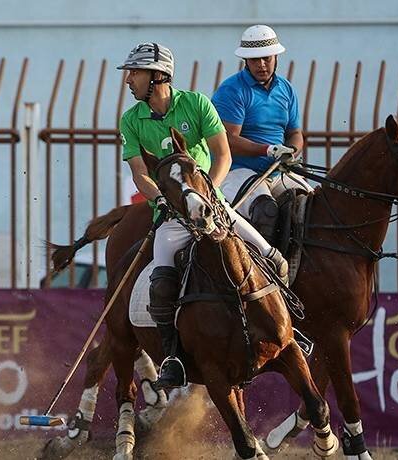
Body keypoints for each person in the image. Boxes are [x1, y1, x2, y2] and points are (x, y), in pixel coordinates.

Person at [117, 42, 289, 390]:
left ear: (157, 76)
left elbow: (222, 155)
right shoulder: (131, 120)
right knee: (161, 282)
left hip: (214, 208)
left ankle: (287, 332)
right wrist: (163, 199)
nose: (128, 80)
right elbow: (139, 173)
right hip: (172, 218)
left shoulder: (196, 104)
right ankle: (172, 357)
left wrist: (207, 195)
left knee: (275, 259)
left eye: (134, 72)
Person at [212, 25, 313, 245]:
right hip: (237, 171)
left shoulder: (286, 89)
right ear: (245, 61)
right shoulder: (232, 90)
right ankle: (263, 265)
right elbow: (228, 140)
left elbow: (295, 133)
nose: (262, 64)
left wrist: (292, 151)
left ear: (276, 57)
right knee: (266, 211)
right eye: (254, 60)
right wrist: (268, 150)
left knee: (311, 206)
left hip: (278, 171)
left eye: (266, 58)